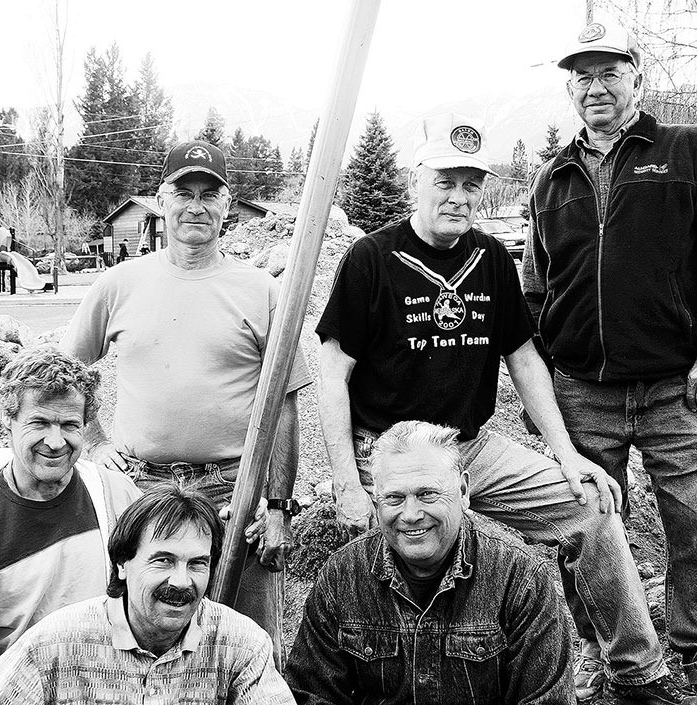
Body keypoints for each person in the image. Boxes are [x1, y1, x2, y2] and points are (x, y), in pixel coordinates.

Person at [316, 112, 692, 704]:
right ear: (419, 179)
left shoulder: (490, 257)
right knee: (418, 556)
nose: (458, 197)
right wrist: (345, 479)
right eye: (445, 181)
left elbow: (522, 358)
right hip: (394, 452)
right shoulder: (372, 257)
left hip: (473, 446)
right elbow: (331, 371)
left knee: (590, 506)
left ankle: (635, 671)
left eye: (471, 184)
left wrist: (566, 455)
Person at [60, 139, 310, 669]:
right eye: (183, 191)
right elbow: (66, 375)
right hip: (141, 487)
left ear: (227, 205)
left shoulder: (261, 290)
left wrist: (278, 507)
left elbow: (285, 406)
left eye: (209, 193)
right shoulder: (119, 284)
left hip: (233, 490)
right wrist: (98, 443)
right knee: (134, 638)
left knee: (248, 642)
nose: (196, 205)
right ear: (161, 199)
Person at [523, 18, 697, 700]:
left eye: (608, 72)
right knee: (585, 530)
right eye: (582, 76)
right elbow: (537, 287)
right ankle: (608, 653)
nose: (595, 86)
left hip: (671, 388)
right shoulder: (549, 178)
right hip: (580, 391)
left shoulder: (683, 151)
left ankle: (686, 646)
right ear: (569, 89)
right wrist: (544, 380)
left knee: (692, 521)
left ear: (636, 78)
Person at [285, 420, 575, 704]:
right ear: (376, 498)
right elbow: (312, 693)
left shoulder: (519, 578)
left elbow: (546, 698)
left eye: (427, 494)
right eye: (394, 498)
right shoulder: (342, 576)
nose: (411, 514)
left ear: (463, 491)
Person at [0, 482, 295, 704]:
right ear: (123, 564)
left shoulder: (242, 644)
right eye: (163, 560)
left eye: (197, 563)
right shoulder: (55, 643)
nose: (182, 581)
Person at [0, 347, 141, 675]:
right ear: (8, 418)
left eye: (69, 425)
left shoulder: (115, 495)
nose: (55, 441)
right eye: (40, 422)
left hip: (101, 682)